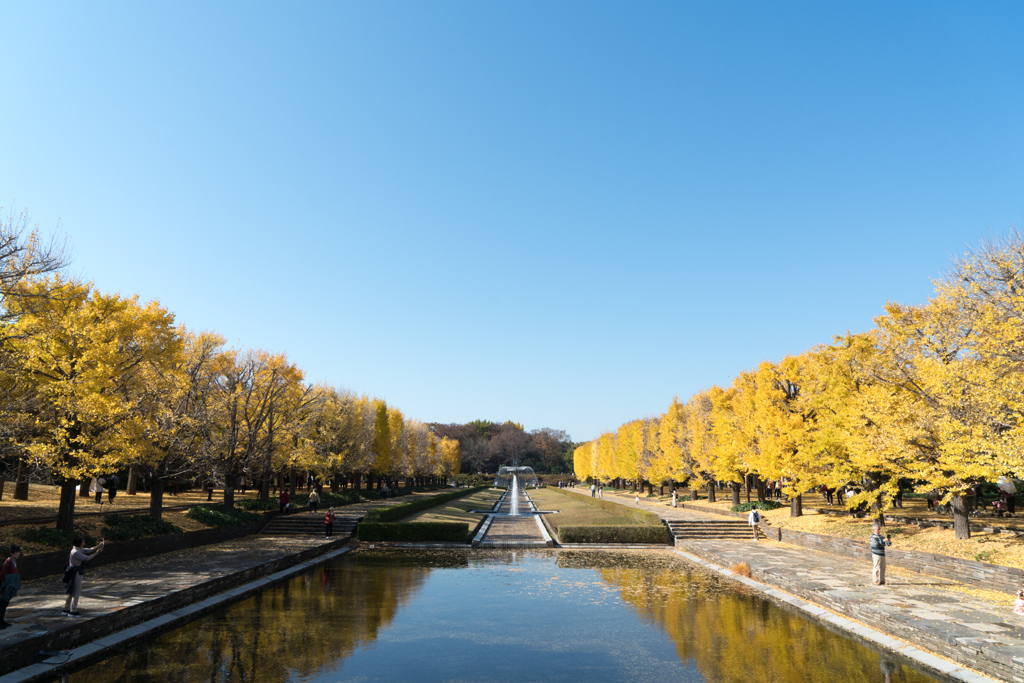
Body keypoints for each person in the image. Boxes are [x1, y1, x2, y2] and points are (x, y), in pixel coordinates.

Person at [63, 537, 104, 617]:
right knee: (76, 592)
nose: (84, 544)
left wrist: (98, 546)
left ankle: (66, 609)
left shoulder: (77, 549)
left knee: (71, 591)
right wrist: (97, 552)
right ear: (79, 544)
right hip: (75, 574)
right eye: (83, 542)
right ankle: (73, 611)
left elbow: (88, 550)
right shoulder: (76, 552)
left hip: (73, 573)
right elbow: (86, 558)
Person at [0, 544, 21, 628]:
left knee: (4, 604)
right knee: (2, 604)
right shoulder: (8, 563)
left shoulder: (13, 562)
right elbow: (1, 575)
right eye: (16, 552)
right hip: (6, 587)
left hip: (10, 586)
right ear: (11, 553)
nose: (18, 554)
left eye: (18, 552)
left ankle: (1, 620)